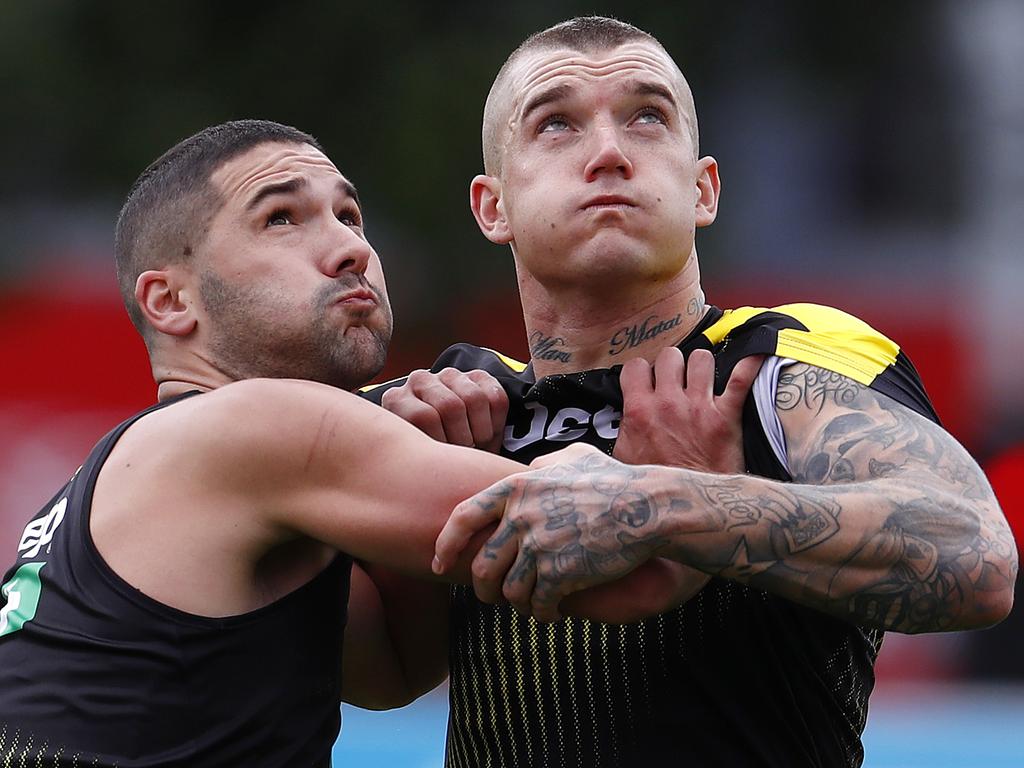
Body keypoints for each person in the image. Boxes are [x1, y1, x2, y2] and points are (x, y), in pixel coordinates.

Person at [369, 16, 1018, 767]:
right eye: (556, 124)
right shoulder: (443, 402)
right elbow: (356, 666)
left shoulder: (778, 359)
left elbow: (975, 554)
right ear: (493, 206)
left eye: (648, 117)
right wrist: (401, 516)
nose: (609, 153)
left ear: (704, 189)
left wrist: (659, 508)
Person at [0, 119, 695, 767]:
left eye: (350, 215)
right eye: (280, 218)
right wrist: (697, 476)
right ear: (171, 302)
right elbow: (629, 569)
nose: (351, 247)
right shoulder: (256, 425)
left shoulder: (136, 475)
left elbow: (390, 669)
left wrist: (436, 449)